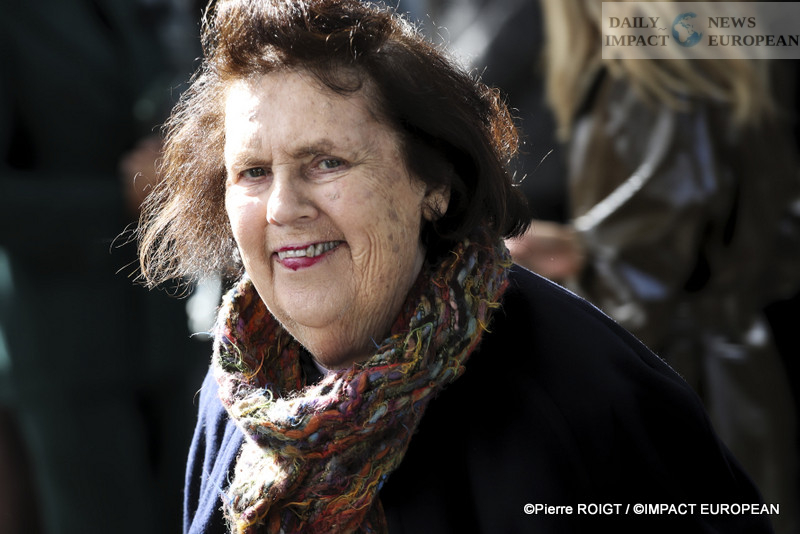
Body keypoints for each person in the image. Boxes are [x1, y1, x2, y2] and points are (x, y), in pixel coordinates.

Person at [137, 1, 774, 532]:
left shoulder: (574, 393)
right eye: (252, 172)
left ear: (434, 184)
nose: (283, 207)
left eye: (327, 162)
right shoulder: (237, 392)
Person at [506, 2, 800, 530]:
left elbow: (638, 291)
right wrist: (588, 245)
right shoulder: (723, 58)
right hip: (735, 376)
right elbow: (721, 233)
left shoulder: (651, 81)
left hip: (679, 386)